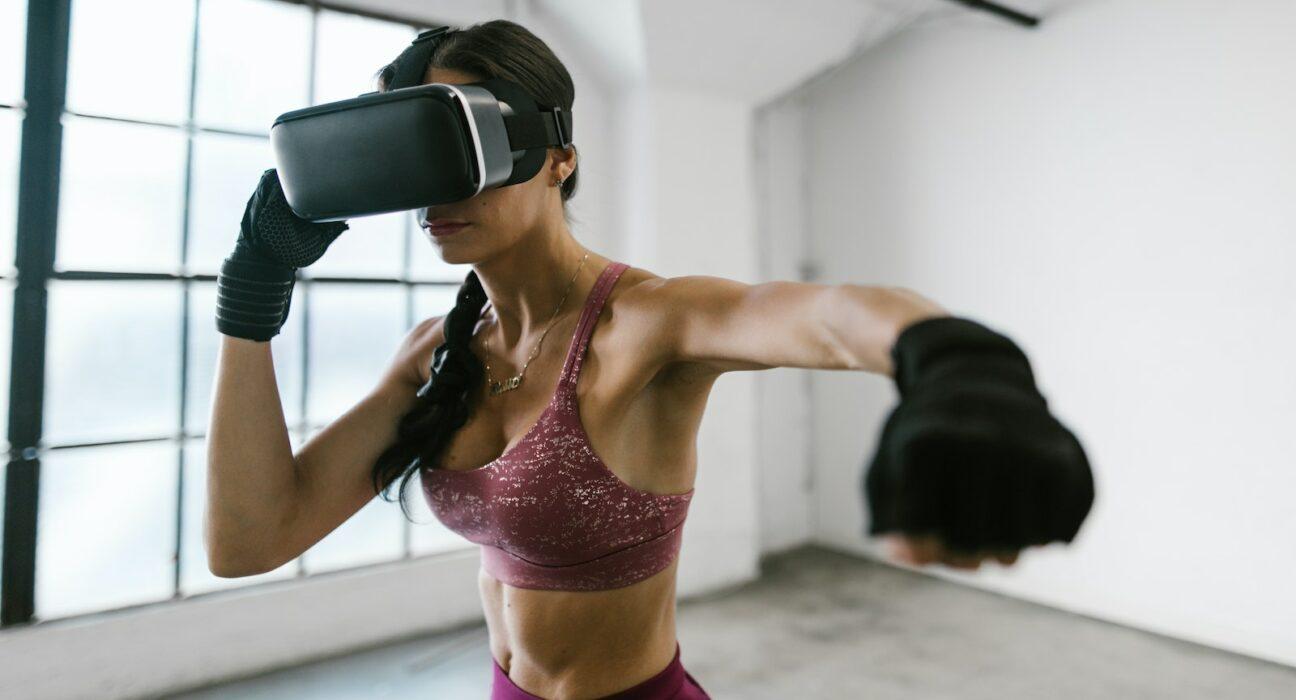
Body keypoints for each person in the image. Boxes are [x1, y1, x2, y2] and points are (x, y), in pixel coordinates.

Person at [206, 19, 1090, 700]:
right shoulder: (438, 357)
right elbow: (248, 542)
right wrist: (250, 302)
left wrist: (955, 363)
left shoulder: (645, 324)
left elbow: (816, 316)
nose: (438, 191)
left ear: (557, 157)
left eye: (459, 149)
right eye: (416, 159)